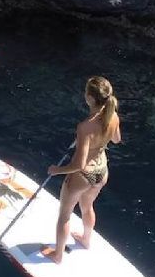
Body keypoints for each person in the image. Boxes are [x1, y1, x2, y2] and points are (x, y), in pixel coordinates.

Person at [40, 76, 120, 263]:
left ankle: (58, 255)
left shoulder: (84, 127)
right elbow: (115, 139)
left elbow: (79, 165)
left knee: (65, 215)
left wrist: (56, 170)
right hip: (101, 172)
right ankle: (85, 239)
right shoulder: (113, 116)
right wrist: (93, 142)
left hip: (83, 175)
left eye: (86, 92)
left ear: (91, 98)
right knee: (87, 206)